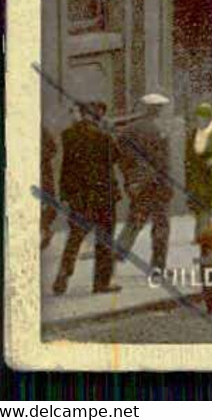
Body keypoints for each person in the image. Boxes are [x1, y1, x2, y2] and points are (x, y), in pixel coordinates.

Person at [53, 102, 123, 295]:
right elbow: (117, 155)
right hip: (102, 195)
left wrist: (65, 194)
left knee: (75, 237)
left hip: (79, 196)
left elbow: (66, 166)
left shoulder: (68, 135)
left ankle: (64, 273)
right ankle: (101, 283)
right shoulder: (103, 136)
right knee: (104, 239)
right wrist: (110, 133)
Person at [116, 93, 174, 274]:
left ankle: (117, 253)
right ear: (156, 109)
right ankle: (157, 266)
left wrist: (130, 179)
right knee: (161, 224)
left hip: (138, 185)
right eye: (160, 108)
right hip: (157, 184)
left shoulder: (128, 130)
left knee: (134, 220)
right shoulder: (159, 130)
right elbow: (163, 162)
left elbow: (121, 158)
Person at [184, 103, 212, 240]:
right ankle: (200, 235)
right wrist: (189, 171)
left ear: (209, 118)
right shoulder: (192, 134)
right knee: (200, 206)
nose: (200, 120)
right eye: (198, 117)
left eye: (203, 117)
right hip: (198, 175)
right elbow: (188, 155)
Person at [41, 117, 59, 251]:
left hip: (43, 173)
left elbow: (53, 149)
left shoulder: (42, 130)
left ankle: (45, 230)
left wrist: (42, 156)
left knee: (49, 205)